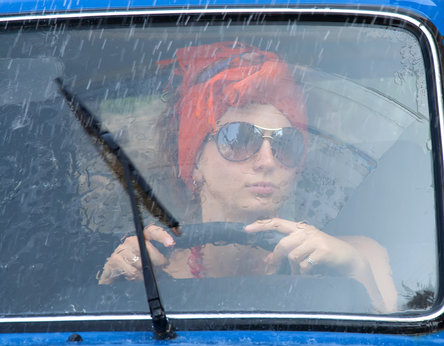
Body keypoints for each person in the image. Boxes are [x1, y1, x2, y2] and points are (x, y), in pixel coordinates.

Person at [98, 42, 398, 313]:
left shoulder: (356, 256)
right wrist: (113, 285)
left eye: (285, 143)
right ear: (194, 163)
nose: (267, 161)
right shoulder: (153, 270)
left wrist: (356, 275)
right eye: (239, 139)